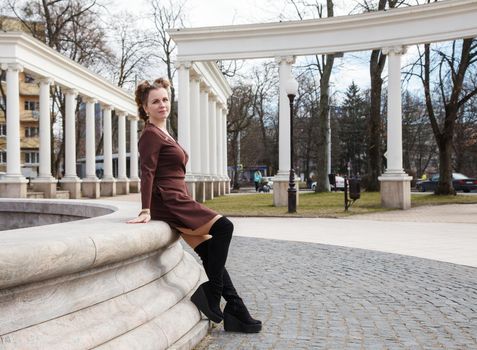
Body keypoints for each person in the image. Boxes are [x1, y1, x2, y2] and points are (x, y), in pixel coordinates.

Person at [128, 78, 261, 333]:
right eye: (155, 101)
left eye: (165, 99)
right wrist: (145, 209)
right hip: (169, 201)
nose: (162, 104)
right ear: (145, 108)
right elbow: (147, 173)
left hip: (180, 198)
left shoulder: (164, 132)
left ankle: (236, 310)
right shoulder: (149, 135)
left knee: (211, 252)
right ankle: (212, 294)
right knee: (225, 227)